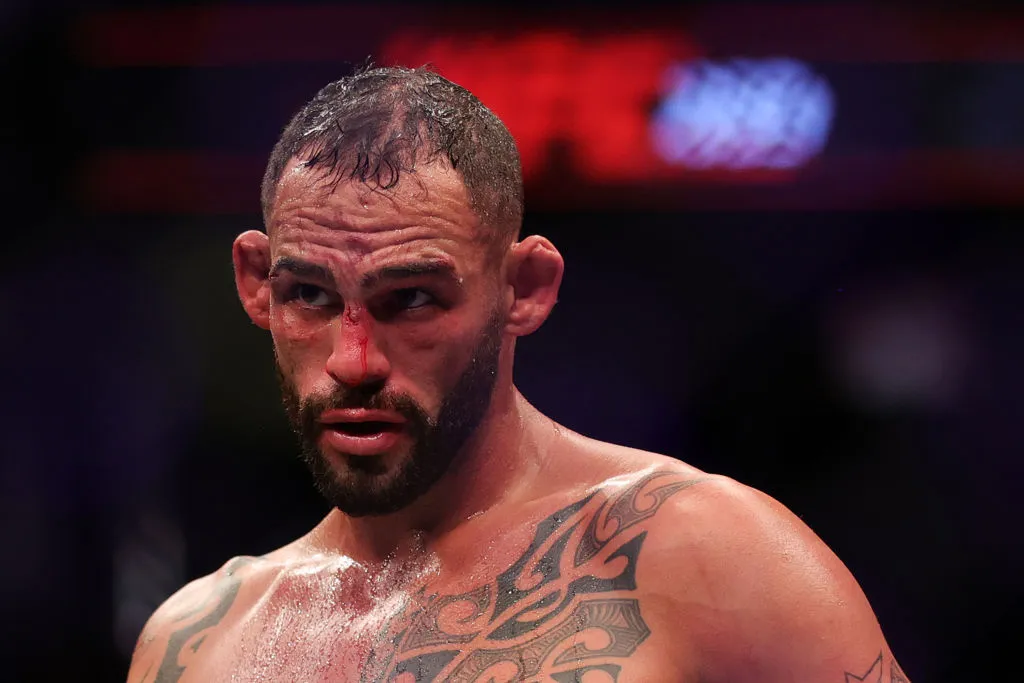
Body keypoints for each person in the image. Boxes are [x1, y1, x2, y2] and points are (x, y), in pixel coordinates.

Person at [127, 66, 911, 683]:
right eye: (311, 295)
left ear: (524, 289)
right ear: (256, 283)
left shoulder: (705, 554)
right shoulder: (194, 644)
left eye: (411, 300)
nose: (352, 359)